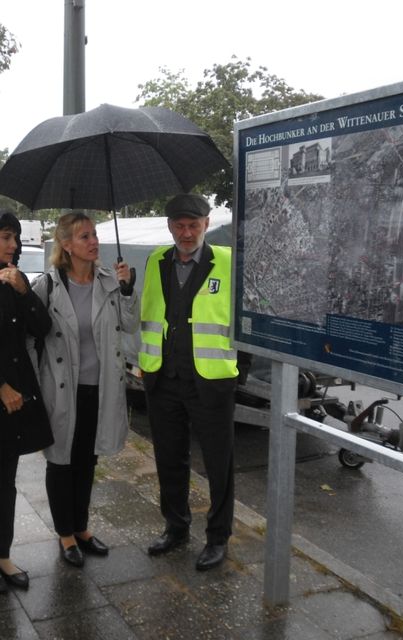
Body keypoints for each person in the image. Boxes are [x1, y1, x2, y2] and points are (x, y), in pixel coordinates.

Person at [140, 193, 249, 571]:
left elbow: (248, 320)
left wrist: (239, 372)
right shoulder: (157, 261)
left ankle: (218, 537)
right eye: (179, 225)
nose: (186, 233)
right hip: (163, 378)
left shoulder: (229, 262)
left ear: (206, 223)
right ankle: (176, 527)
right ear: (170, 226)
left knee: (219, 464)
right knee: (169, 459)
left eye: (194, 225)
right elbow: (149, 314)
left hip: (211, 381)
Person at [31, 211, 139, 568]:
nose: (94, 242)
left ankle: (81, 527)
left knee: (87, 460)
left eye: (94, 235)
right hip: (62, 389)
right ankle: (65, 533)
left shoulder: (109, 280)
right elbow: (32, 337)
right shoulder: (47, 286)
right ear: (66, 245)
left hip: (99, 387)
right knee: (61, 460)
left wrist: (127, 289)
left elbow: (129, 324)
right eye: (84, 237)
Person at [0, 210, 53, 592]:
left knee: (5, 481)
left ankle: (2, 556)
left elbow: (43, 328)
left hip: (13, 403)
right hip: (4, 393)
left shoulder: (12, 280)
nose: (13, 245)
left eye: (15, 238)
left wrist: (24, 290)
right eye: (5, 237)